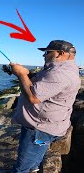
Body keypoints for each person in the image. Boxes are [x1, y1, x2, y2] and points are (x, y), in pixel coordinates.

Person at [9, 40, 80, 173]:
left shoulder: (60, 74)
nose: (44, 55)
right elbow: (45, 83)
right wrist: (28, 74)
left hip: (39, 127)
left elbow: (33, 97)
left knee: (22, 166)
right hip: (49, 126)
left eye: (47, 52)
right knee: (37, 154)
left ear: (60, 54)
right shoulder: (65, 69)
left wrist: (21, 74)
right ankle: (34, 169)